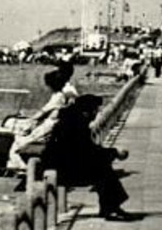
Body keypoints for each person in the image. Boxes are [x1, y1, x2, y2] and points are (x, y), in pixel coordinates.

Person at [44, 93, 135, 221]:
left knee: (102, 167)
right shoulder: (76, 125)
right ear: (87, 111)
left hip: (63, 165)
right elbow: (87, 152)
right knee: (103, 171)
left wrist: (109, 153)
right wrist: (114, 153)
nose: (96, 114)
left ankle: (110, 207)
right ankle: (110, 208)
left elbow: (86, 152)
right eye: (95, 111)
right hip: (63, 170)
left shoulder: (71, 121)